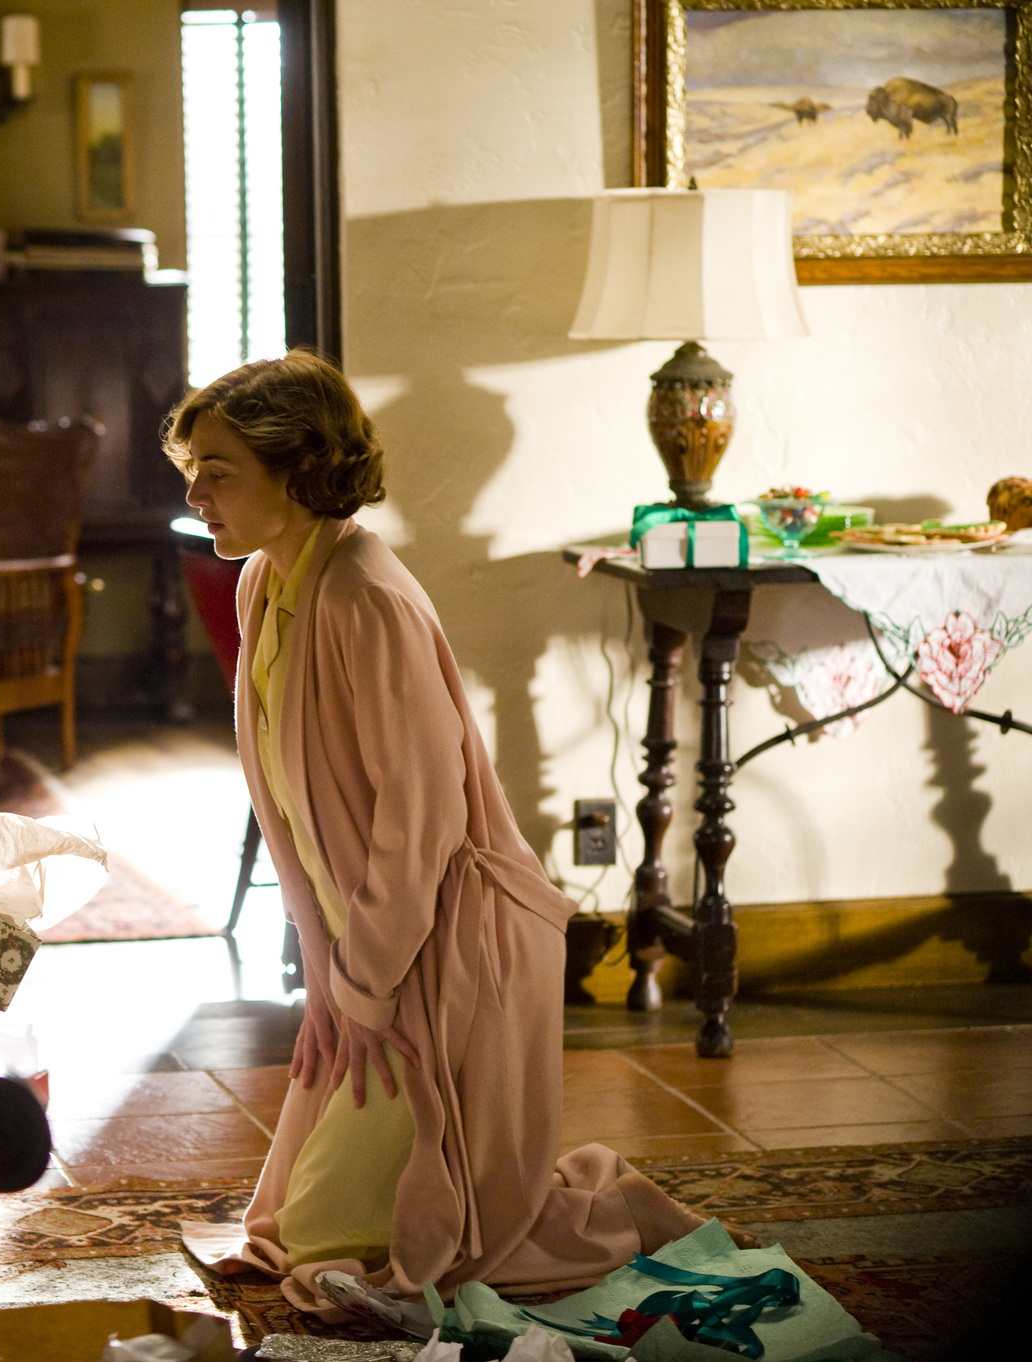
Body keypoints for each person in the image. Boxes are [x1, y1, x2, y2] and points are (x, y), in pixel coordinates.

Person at [171, 352, 706, 1315]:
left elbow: (420, 821)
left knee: (370, 1246)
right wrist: (327, 964)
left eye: (217, 470)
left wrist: (366, 985)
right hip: (373, 932)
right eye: (192, 469)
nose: (194, 491)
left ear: (296, 469)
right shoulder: (265, 585)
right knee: (299, 1230)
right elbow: (289, 809)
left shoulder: (362, 594)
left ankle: (612, 1218)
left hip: (448, 938)